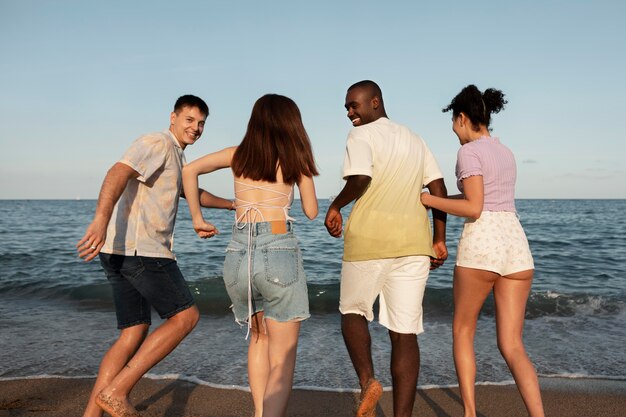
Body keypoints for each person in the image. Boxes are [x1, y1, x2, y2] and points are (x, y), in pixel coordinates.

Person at [76, 95, 233, 417]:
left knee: (133, 332)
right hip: (143, 251)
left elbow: (192, 193)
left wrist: (234, 205)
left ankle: (93, 413)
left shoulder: (176, 157)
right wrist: (100, 219)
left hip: (119, 252)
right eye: (190, 120)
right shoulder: (158, 142)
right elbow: (118, 171)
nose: (196, 128)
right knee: (185, 318)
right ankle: (118, 391)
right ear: (173, 117)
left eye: (201, 123)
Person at [182, 94, 319, 417]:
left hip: (238, 251)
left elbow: (189, 171)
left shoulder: (237, 155)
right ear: (291, 124)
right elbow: (311, 212)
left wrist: (197, 218)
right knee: (283, 356)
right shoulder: (294, 158)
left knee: (258, 338)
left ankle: (259, 413)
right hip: (278, 247)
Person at [325, 80, 448, 417]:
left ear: (374, 102)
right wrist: (439, 238)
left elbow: (360, 177)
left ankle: (368, 382)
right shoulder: (415, 139)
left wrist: (335, 206)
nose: (350, 113)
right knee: (404, 333)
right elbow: (438, 187)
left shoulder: (361, 136)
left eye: (354, 105)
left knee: (353, 312)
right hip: (413, 246)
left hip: (369, 241)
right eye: (347, 108)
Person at [421, 85, 545, 417]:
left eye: (453, 122)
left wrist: (427, 199)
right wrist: (443, 201)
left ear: (462, 118)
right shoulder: (505, 152)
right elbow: (487, 201)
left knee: (463, 331)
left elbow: (475, 208)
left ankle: (470, 414)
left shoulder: (469, 152)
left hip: (482, 246)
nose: (453, 130)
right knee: (513, 345)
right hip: (516, 247)